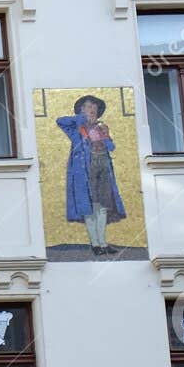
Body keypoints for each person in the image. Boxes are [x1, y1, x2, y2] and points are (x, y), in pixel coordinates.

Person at [56, 94, 126, 256]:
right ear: (81, 109)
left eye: (94, 107)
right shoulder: (77, 128)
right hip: (85, 170)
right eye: (88, 106)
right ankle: (95, 244)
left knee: (102, 207)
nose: (92, 110)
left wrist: (106, 135)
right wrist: (82, 118)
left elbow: (111, 147)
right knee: (90, 207)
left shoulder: (101, 128)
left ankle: (103, 243)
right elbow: (60, 121)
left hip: (102, 167)